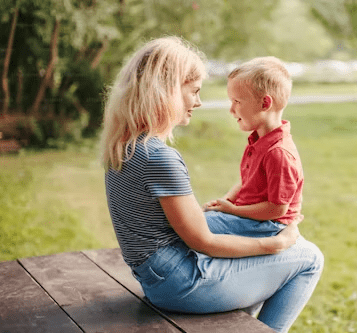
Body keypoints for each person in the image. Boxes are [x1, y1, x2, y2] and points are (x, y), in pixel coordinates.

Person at [100, 36, 323, 333]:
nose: (199, 101)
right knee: (310, 258)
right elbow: (203, 241)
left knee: (237, 239)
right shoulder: (160, 158)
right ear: (166, 91)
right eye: (193, 91)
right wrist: (274, 244)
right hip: (180, 283)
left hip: (156, 277)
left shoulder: (124, 146)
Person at [202, 57, 303, 239]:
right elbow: (247, 181)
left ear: (265, 104)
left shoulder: (278, 153)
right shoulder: (260, 141)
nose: (231, 110)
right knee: (196, 220)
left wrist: (233, 210)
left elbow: (277, 209)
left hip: (268, 225)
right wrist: (226, 201)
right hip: (250, 217)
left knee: (194, 226)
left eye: (237, 102)